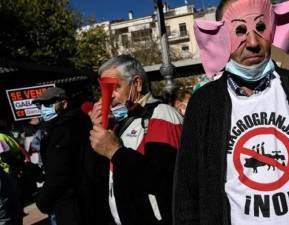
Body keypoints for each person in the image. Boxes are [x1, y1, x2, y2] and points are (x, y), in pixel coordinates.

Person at [173, 0, 289, 225]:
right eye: (240, 30)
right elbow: (187, 189)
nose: (253, 42)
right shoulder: (204, 104)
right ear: (221, 36)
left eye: (260, 28)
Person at [89, 55, 183, 225]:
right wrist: (101, 133)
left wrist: (115, 151)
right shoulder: (122, 123)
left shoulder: (161, 114)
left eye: (114, 88)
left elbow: (165, 180)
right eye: (103, 89)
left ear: (137, 84)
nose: (108, 97)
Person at [33, 87, 106, 225]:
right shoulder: (80, 121)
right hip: (89, 198)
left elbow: (59, 171)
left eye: (48, 104)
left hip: (72, 204)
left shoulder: (63, 128)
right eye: (40, 105)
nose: (43, 108)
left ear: (64, 104)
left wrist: (42, 201)